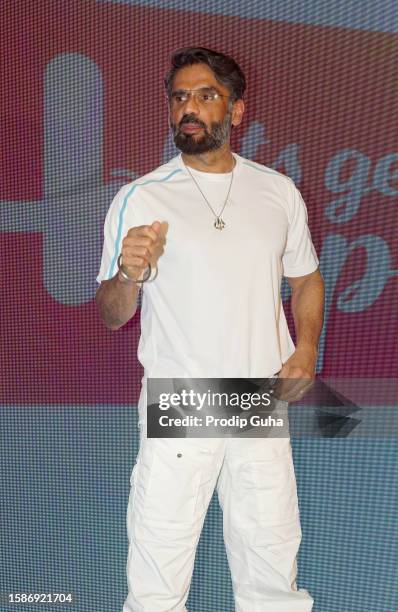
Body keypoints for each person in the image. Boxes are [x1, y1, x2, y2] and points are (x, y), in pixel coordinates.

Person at [95, 46, 324, 612]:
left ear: (237, 110)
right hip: (182, 395)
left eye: (205, 95)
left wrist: (307, 346)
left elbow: (308, 278)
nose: (188, 109)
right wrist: (128, 272)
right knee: (160, 560)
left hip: (255, 395)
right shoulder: (140, 197)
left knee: (271, 556)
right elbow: (111, 311)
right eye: (179, 98)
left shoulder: (277, 191)